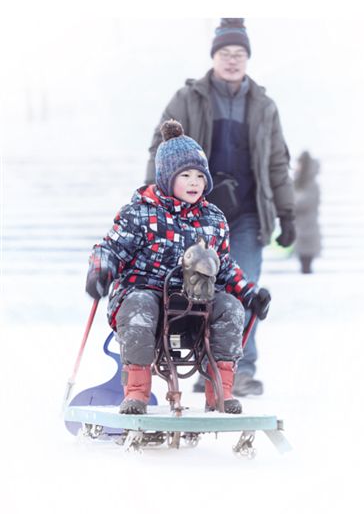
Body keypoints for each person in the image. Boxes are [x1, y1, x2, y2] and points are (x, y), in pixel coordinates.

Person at [145, 18, 295, 396]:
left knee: (245, 289)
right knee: (198, 289)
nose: (232, 60)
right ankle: (202, 364)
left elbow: (277, 161)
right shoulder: (187, 99)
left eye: (239, 54)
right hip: (197, 216)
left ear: (248, 58)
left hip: (247, 215)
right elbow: (160, 150)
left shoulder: (263, 106)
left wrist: (287, 212)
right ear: (213, 57)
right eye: (225, 53)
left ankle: (238, 370)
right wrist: (154, 197)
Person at [85, 120, 270, 415]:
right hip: (147, 296)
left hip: (197, 301)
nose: (194, 182)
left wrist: (248, 293)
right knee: (140, 306)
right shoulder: (139, 214)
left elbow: (223, 265)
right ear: (166, 177)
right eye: (185, 175)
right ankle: (136, 392)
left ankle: (220, 391)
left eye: (200, 176)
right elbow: (110, 248)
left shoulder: (213, 219)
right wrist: (101, 270)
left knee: (230, 308)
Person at [293, 151, 321, 273]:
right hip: (299, 228)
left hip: (308, 228)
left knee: (307, 264)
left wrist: (293, 201)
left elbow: (304, 203)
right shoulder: (297, 182)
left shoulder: (312, 185)